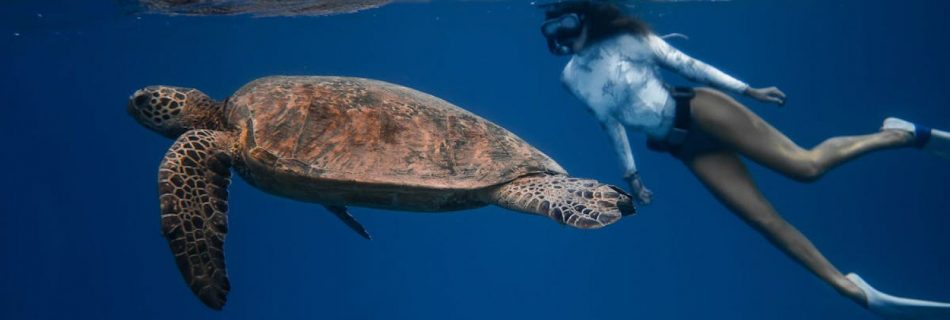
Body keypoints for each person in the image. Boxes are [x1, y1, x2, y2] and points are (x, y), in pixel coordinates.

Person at [537, 1, 950, 319]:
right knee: (762, 220)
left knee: (805, 167)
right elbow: (610, 123)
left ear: (586, 17)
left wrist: (749, 90)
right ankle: (849, 289)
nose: (562, 35)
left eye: (567, 23)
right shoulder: (571, 79)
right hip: (683, 146)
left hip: (700, 111)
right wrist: (633, 175)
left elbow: (688, 66)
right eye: (552, 29)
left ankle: (897, 134)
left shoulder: (625, 40)